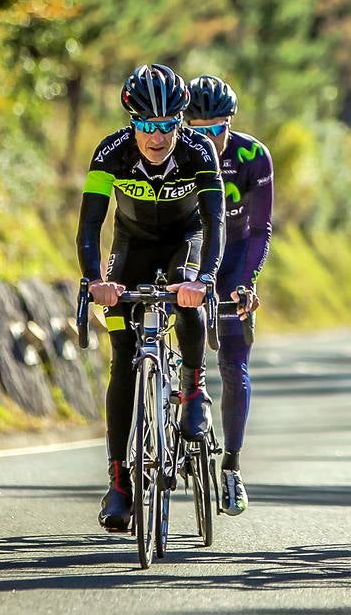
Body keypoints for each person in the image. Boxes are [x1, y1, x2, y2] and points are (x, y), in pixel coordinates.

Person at [76, 64, 225, 532]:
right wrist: (95, 279)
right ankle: (120, 482)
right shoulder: (110, 154)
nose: (156, 137)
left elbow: (215, 222)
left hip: (186, 238)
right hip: (131, 247)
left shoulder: (199, 151)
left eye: (166, 126)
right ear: (131, 122)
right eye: (146, 125)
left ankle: (194, 388)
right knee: (123, 358)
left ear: (180, 121)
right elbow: (89, 226)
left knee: (186, 299)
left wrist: (204, 280)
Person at [184, 74, 272, 516]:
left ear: (230, 123)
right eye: (196, 130)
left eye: (216, 128)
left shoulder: (252, 155)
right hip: (187, 250)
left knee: (234, 362)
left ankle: (232, 466)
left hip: (235, 253)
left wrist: (246, 282)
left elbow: (260, 229)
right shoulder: (174, 153)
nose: (207, 138)